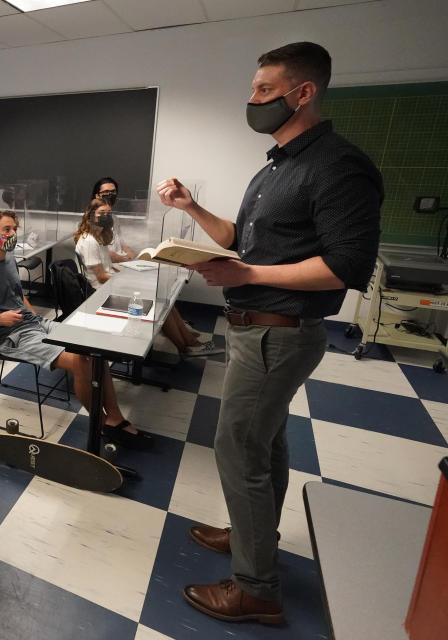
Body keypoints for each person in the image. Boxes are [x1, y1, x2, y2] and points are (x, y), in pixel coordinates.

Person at [156, 42, 382, 625]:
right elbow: (241, 236)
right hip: (254, 328)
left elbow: (346, 266)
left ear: (301, 93)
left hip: (277, 332)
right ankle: (253, 537)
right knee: (266, 441)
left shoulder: (337, 166)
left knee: (238, 447)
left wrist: (247, 274)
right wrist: (192, 208)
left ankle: (255, 588)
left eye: (263, 90)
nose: (251, 99)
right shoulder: (277, 166)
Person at [0, 209, 151, 449]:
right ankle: (101, 422)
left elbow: (18, 294)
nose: (12, 234)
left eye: (15, 229)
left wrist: (35, 317)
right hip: (8, 335)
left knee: (94, 351)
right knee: (82, 360)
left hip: (32, 324)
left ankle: (115, 417)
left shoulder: (8, 259)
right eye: (6, 230)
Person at [74, 199, 221, 357]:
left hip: (112, 284)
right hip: (102, 292)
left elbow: (108, 267)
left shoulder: (99, 236)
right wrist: (129, 280)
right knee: (157, 303)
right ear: (90, 216)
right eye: (101, 213)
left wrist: (130, 271)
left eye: (109, 213)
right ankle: (185, 347)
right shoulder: (89, 241)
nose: (106, 216)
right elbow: (101, 277)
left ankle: (190, 341)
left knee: (165, 301)